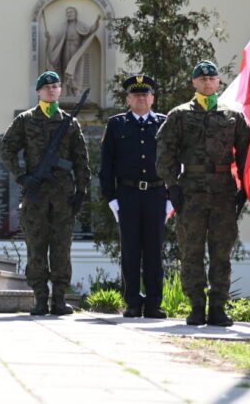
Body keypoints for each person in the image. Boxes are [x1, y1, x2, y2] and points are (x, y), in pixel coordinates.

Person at [155, 60, 250, 327]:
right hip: (191, 191)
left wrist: (246, 186)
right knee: (192, 251)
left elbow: (246, 153)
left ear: (218, 82)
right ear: (194, 83)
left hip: (223, 191)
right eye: (202, 79)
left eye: (212, 79)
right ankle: (196, 306)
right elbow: (165, 152)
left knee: (222, 252)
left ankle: (218, 307)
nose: (207, 82)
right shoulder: (179, 115)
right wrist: (172, 186)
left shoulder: (233, 115)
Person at [1, 71, 90, 316]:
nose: (52, 90)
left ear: (60, 91)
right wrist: (22, 177)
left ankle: (59, 299)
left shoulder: (69, 123)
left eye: (55, 86)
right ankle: (40, 299)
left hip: (63, 196)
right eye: (47, 86)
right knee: (36, 246)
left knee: (62, 247)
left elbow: (81, 159)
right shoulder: (25, 120)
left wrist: (81, 190)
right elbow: (7, 150)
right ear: (38, 91)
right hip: (36, 196)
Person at [99, 74, 168, 319]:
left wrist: (170, 198)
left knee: (154, 252)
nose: (141, 98)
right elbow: (106, 164)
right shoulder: (117, 124)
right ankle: (132, 303)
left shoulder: (164, 123)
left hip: (157, 194)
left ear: (153, 98)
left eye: (145, 94)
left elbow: (174, 161)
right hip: (127, 195)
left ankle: (153, 304)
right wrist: (111, 198)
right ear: (128, 99)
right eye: (136, 94)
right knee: (130, 251)